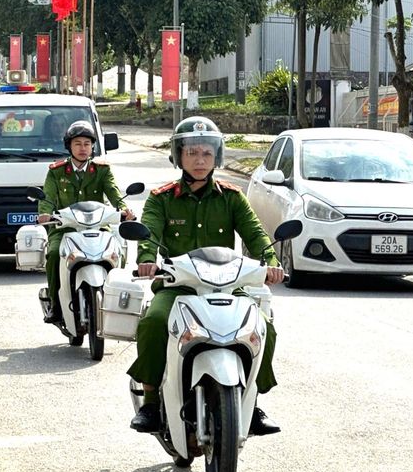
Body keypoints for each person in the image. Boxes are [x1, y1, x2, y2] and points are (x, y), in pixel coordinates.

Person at [128, 117, 284, 436]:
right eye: (192, 153)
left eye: (207, 154)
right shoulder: (161, 198)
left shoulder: (232, 197)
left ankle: (251, 404)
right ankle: (151, 402)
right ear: (178, 156)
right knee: (154, 322)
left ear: (217, 157)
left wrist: (270, 261)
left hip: (227, 285)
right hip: (178, 286)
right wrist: (146, 261)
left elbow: (256, 234)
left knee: (262, 327)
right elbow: (149, 236)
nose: (200, 161)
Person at [37, 121, 136, 324]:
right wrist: (45, 214)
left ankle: (115, 300)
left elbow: (113, 192)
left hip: (98, 226)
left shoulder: (102, 170)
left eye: (87, 144)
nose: (83, 148)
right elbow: (47, 197)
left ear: (92, 147)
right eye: (78, 144)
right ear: (69, 147)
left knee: (118, 252)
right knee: (54, 254)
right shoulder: (56, 171)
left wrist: (124, 209)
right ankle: (55, 305)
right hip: (64, 228)